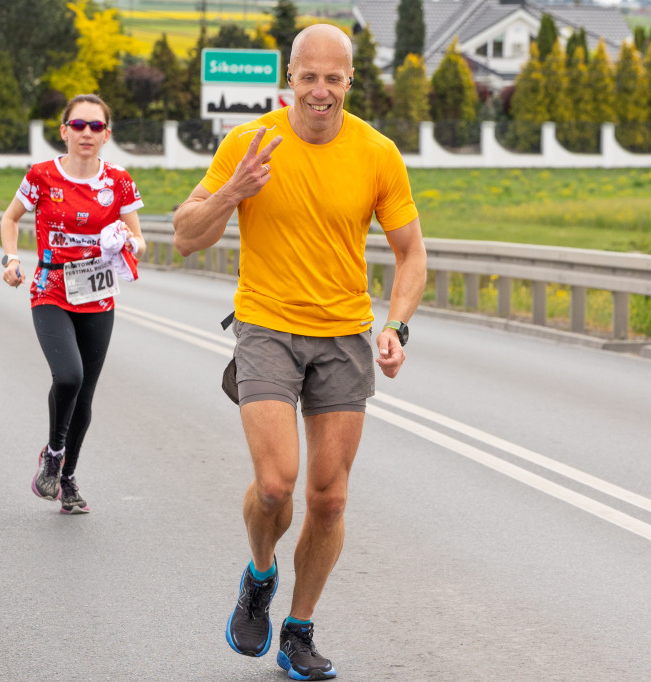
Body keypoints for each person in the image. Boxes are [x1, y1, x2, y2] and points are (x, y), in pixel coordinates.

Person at [173, 24, 427, 681]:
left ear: (349, 82)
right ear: (289, 78)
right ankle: (260, 575)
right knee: (276, 483)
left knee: (330, 499)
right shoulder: (248, 141)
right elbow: (184, 237)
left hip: (344, 334)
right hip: (266, 327)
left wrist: (397, 326)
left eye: (332, 78)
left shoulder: (376, 152)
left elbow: (411, 253)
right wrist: (234, 191)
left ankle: (298, 630)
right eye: (307, 76)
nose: (320, 90)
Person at [0, 94, 146, 515]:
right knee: (69, 376)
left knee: (85, 397)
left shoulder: (118, 181)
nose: (86, 133)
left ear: (107, 135)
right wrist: (11, 258)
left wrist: (126, 242)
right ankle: (53, 453)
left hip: (98, 294)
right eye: (78, 125)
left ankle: (66, 477)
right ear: (64, 130)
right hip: (51, 287)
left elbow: (139, 239)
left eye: (95, 127)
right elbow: (11, 219)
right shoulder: (42, 175)